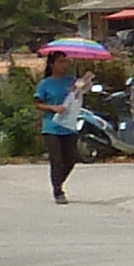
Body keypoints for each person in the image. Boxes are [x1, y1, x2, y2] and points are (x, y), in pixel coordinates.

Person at [34, 48, 84, 202]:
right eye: (61, 62)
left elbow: (80, 93)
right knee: (57, 160)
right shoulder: (45, 84)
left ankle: (58, 181)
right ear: (52, 65)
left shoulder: (71, 81)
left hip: (68, 125)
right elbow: (37, 104)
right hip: (52, 126)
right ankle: (58, 191)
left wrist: (82, 84)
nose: (64, 65)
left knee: (71, 158)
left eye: (66, 62)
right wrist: (52, 108)